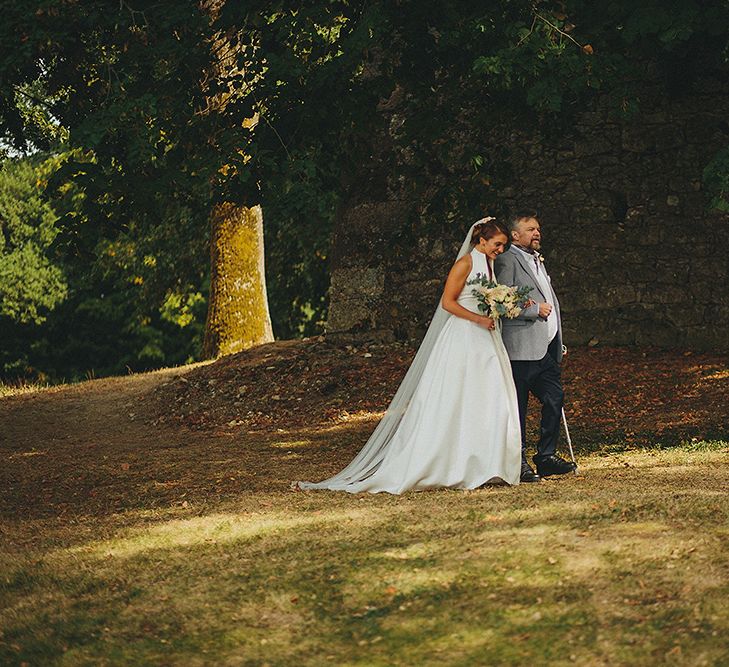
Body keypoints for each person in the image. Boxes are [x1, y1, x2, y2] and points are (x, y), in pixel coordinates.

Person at [297, 218, 523, 493]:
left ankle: (485, 462)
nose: (500, 250)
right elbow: (448, 303)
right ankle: (451, 462)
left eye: (503, 246)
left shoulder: (488, 262)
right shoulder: (465, 263)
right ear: (482, 240)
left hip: (485, 338)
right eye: (498, 244)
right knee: (456, 396)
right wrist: (478, 319)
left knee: (487, 396)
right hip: (464, 336)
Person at [494, 210, 576, 482]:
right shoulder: (507, 260)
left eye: (538, 229)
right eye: (530, 229)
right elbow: (499, 303)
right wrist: (533, 310)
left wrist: (558, 339)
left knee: (555, 399)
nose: (537, 233)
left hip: (546, 350)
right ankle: (517, 462)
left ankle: (546, 457)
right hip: (519, 350)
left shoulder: (538, 260)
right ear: (515, 235)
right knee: (518, 408)